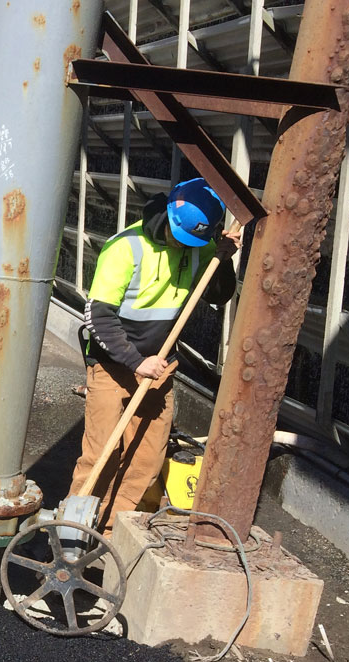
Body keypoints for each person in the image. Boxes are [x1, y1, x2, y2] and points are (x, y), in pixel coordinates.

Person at [71, 178, 240, 534]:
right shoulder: (125, 248)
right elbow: (98, 316)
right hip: (113, 364)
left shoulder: (200, 247)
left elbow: (218, 295)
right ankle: (72, 533)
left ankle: (110, 532)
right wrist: (136, 361)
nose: (184, 244)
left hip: (161, 367)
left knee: (146, 461)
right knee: (101, 454)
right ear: (167, 215)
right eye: (181, 236)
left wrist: (224, 259)